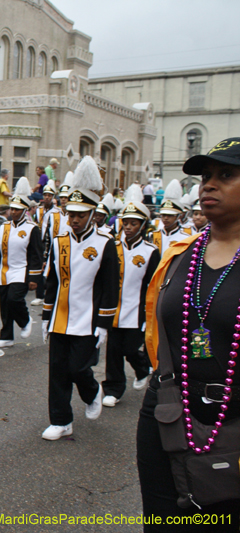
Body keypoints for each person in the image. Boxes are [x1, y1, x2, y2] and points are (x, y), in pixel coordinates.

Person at [139, 138, 240, 529]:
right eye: (206, 177)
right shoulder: (180, 253)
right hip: (166, 412)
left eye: (226, 175)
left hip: (232, 418)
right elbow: (157, 329)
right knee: (162, 519)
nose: (208, 185)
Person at [41, 156, 119, 441]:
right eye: (71, 214)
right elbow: (53, 283)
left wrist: (104, 324)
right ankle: (61, 421)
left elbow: (111, 287)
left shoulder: (105, 244)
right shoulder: (59, 242)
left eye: (80, 215)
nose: (74, 219)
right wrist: (46, 316)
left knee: (78, 368)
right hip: (61, 317)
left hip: (88, 320)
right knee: (58, 372)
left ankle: (92, 391)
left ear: (92, 214)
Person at [101, 185, 159, 408]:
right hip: (113, 309)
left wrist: (149, 314)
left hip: (137, 311)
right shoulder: (112, 246)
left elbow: (152, 285)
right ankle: (113, 389)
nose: (128, 227)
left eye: (134, 223)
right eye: (126, 222)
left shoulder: (150, 251)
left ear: (143, 225)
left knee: (130, 349)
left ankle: (143, 368)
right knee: (113, 352)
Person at [0, 178, 43, 350]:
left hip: (22, 271)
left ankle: (25, 320)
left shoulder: (32, 228)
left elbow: (36, 255)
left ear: (24, 210)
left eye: (18, 210)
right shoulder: (4, 227)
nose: (14, 212)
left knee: (14, 299)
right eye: (13, 209)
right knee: (4, 304)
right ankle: (6, 336)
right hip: (5, 270)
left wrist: (34, 277)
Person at [149, 180, 194, 256]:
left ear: (178, 216)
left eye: (170, 215)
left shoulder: (186, 238)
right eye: (163, 215)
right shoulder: (152, 235)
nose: (165, 218)